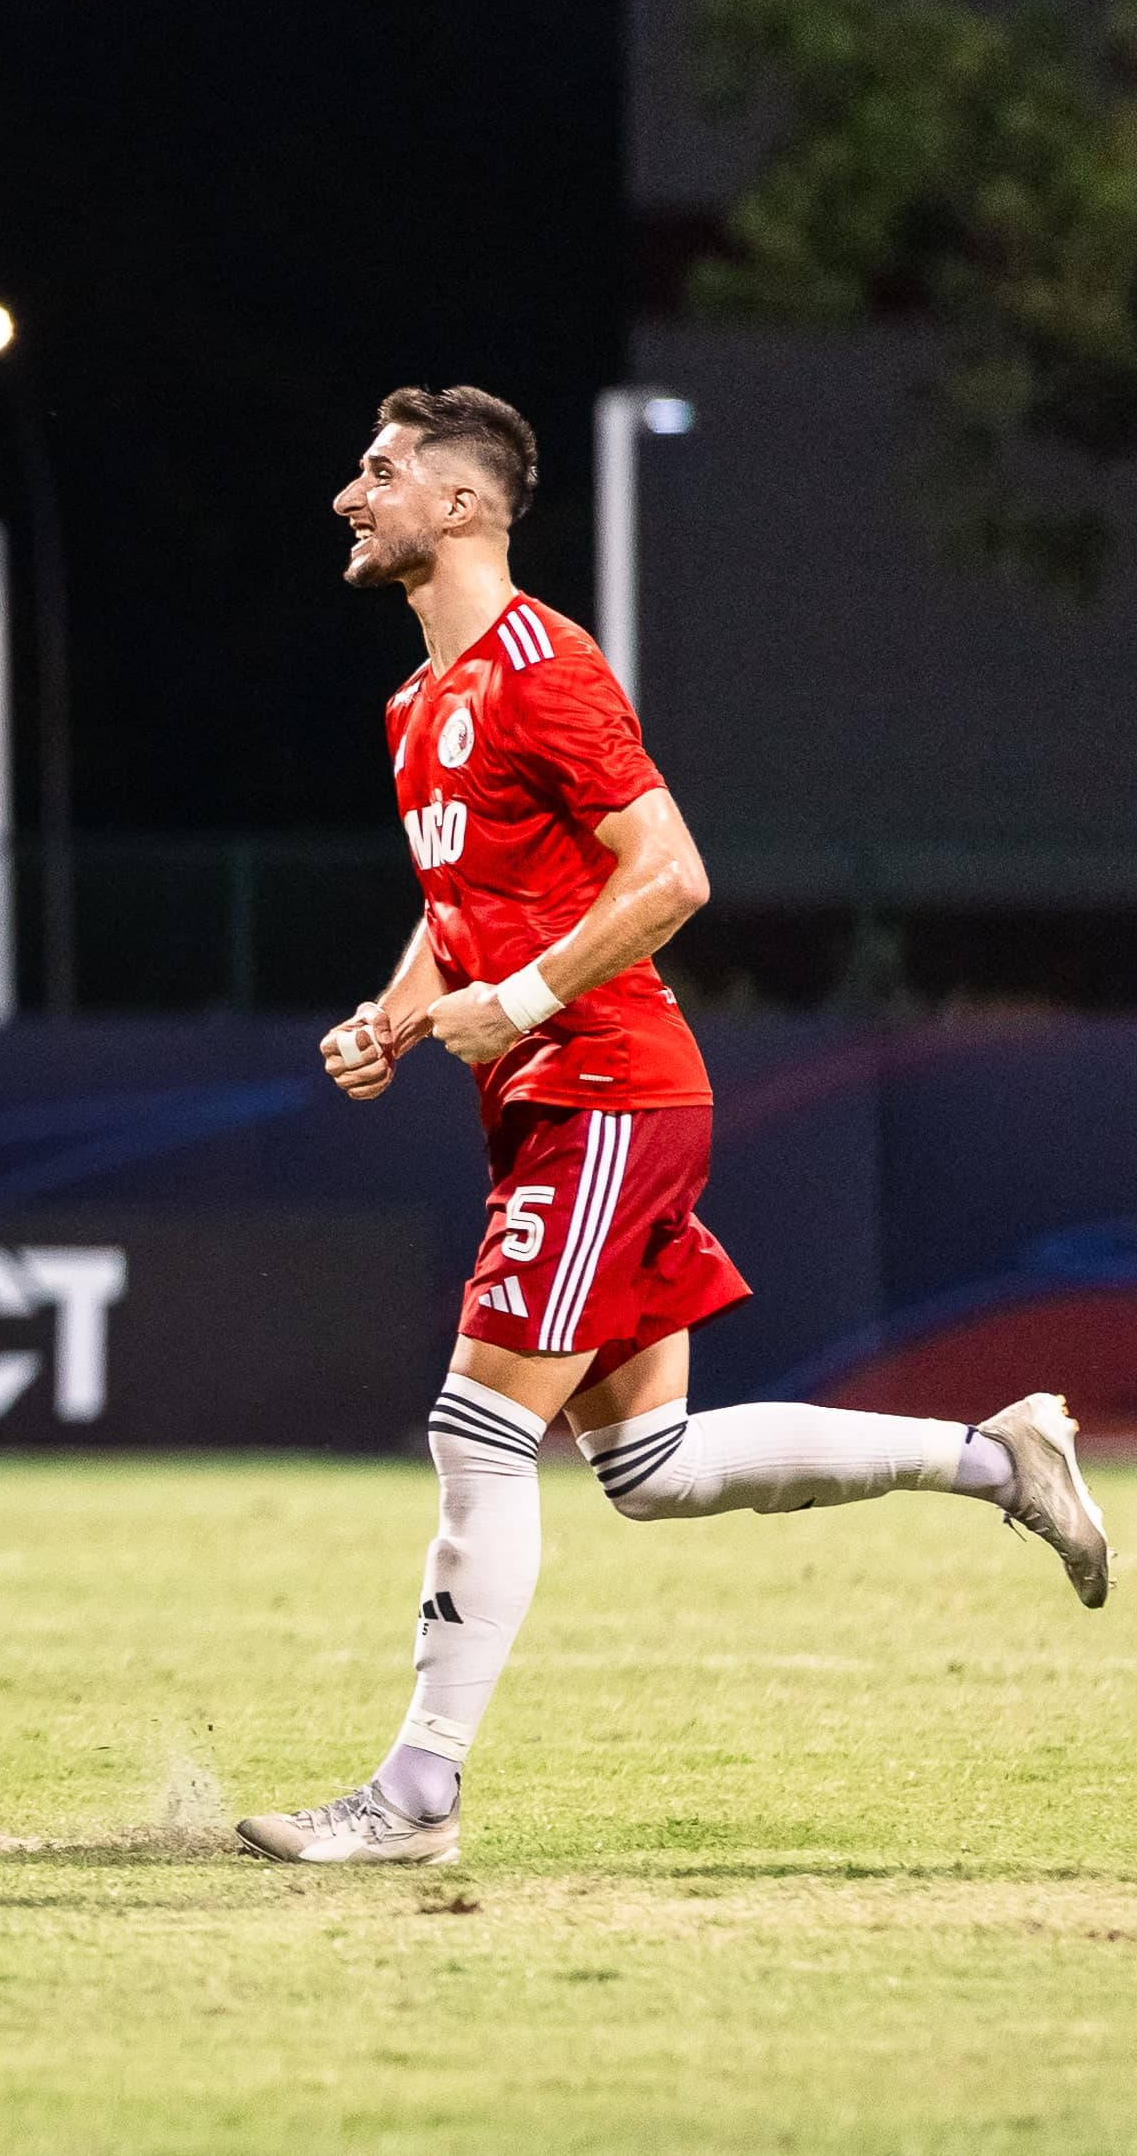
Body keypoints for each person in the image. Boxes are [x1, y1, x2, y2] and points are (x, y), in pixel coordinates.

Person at [235, 387, 1111, 1868]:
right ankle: (996, 1457)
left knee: (472, 1429)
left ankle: (415, 1796)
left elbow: (674, 872)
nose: (348, 494)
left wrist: (514, 998)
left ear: (458, 507)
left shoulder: (542, 664)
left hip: (608, 1087)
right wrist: (392, 1014)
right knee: (648, 1469)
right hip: (552, 1096)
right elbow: (461, 911)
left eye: (377, 472)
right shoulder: (416, 706)